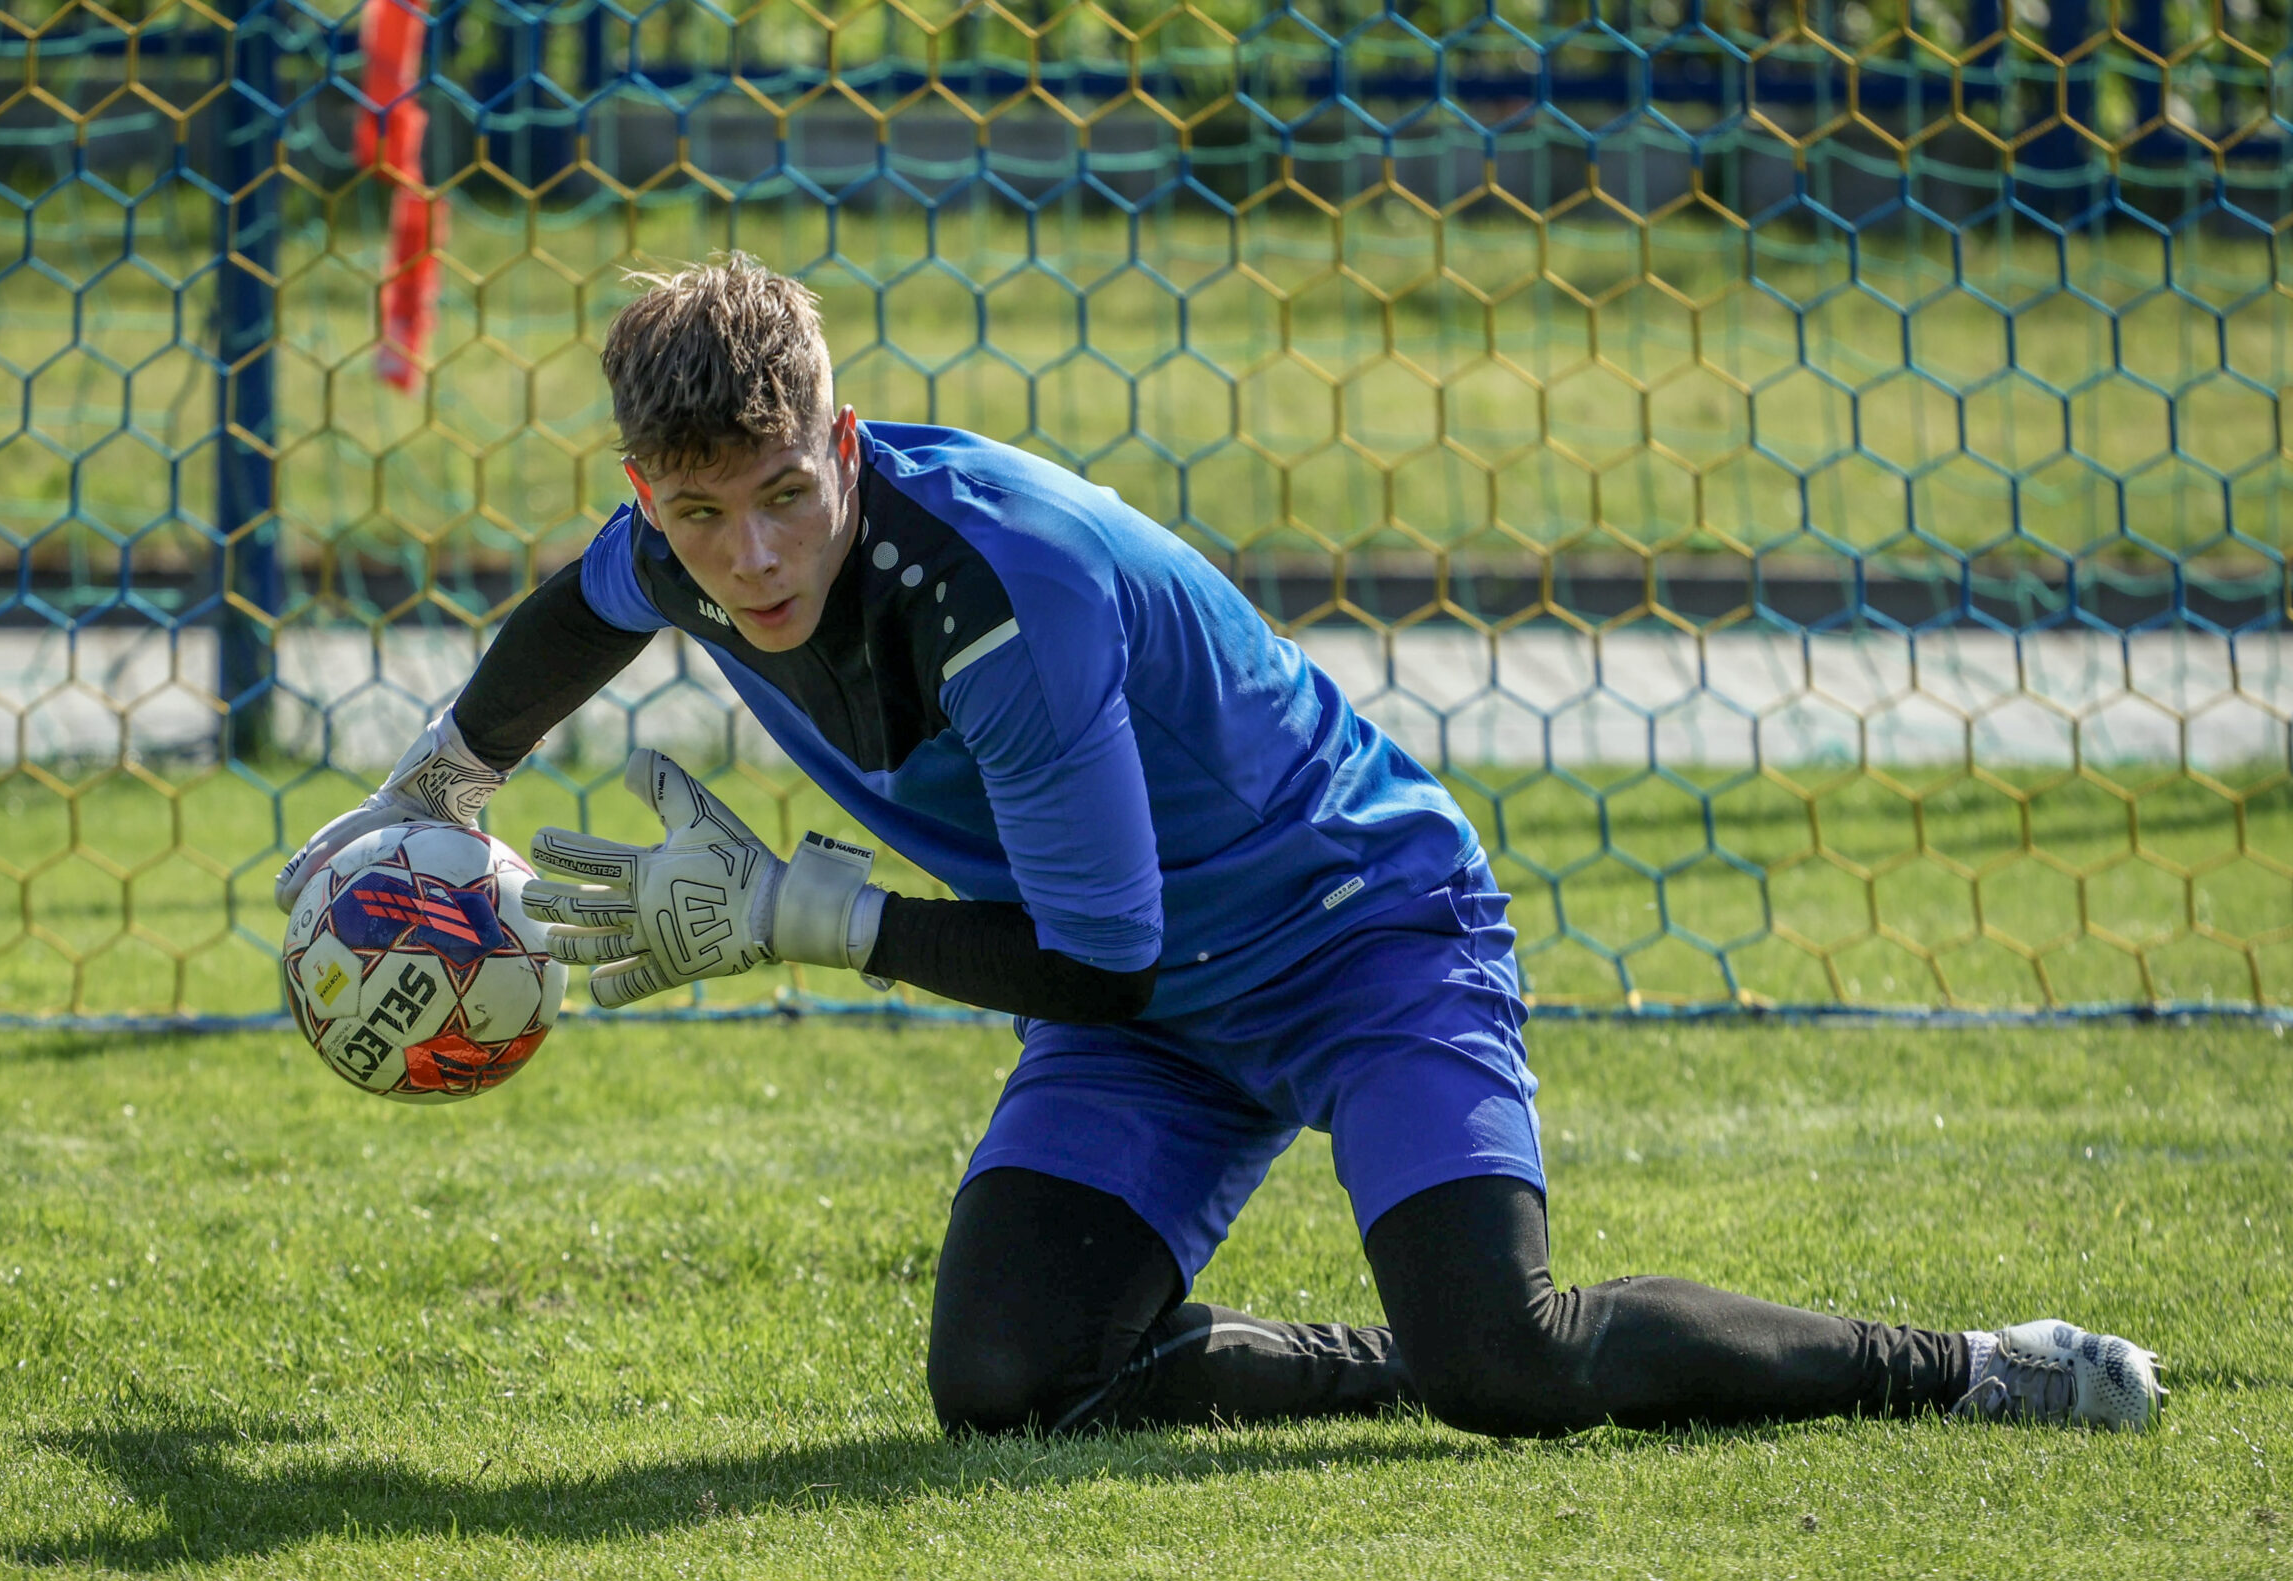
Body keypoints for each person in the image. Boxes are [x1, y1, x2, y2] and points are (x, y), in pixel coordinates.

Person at [276, 254, 2165, 1438]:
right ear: (648, 494)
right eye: (702, 516)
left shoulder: (1005, 602)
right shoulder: (673, 554)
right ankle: (1396, 1349)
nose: (752, 558)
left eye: (786, 495)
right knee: (1006, 1387)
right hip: (1147, 1010)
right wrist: (444, 782)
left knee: (1513, 1367)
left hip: (1360, 935)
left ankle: (1973, 1366)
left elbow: (1096, 962)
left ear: (843, 445)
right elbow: (578, 614)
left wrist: (801, 915)